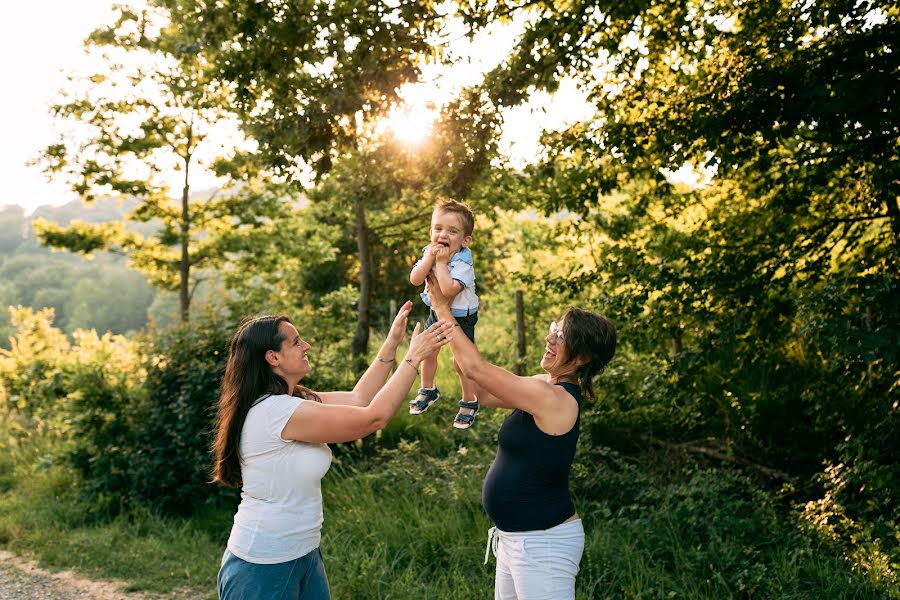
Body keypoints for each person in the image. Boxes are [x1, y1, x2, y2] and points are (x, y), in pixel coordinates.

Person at [212, 301, 452, 600]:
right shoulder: (276, 411)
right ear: (273, 357)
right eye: (297, 342)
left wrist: (392, 344)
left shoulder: (292, 400)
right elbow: (372, 418)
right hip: (263, 564)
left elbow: (360, 398)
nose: (307, 345)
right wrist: (413, 358)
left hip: (304, 553)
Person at [426, 274, 617, 600]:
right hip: (516, 540)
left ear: (582, 357)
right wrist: (458, 323)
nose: (549, 338)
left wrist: (444, 310)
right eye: (554, 330)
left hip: (544, 545)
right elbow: (482, 391)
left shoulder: (554, 398)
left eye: (560, 336)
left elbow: (478, 370)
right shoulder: (545, 386)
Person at [408, 198, 481, 429]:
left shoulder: (463, 263)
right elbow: (415, 279)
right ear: (431, 231)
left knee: (463, 362)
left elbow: (448, 290)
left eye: (452, 231)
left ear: (465, 240)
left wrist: (440, 264)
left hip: (461, 317)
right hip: (436, 311)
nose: (443, 235)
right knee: (428, 351)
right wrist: (430, 258)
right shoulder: (430, 253)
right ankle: (428, 389)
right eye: (438, 228)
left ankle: (470, 400)